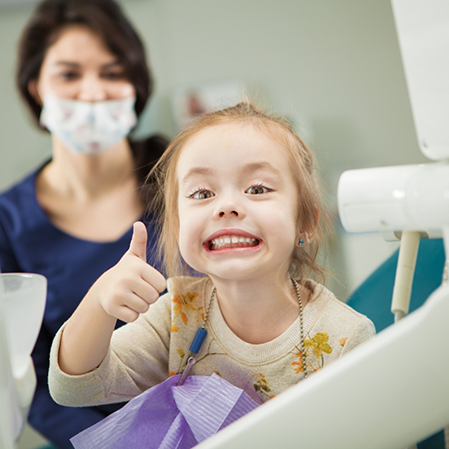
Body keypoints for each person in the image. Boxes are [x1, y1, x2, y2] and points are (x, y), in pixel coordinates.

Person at [48, 101, 375, 416]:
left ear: (306, 222)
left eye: (258, 189)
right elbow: (73, 387)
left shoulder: (345, 337)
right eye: (202, 194)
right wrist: (99, 301)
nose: (227, 206)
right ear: (177, 227)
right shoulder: (178, 316)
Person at [0, 0, 167, 447]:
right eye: (69, 75)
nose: (92, 93)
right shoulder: (7, 224)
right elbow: (25, 375)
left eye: (112, 73)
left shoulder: (186, 181)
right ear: (36, 87)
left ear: (135, 83)